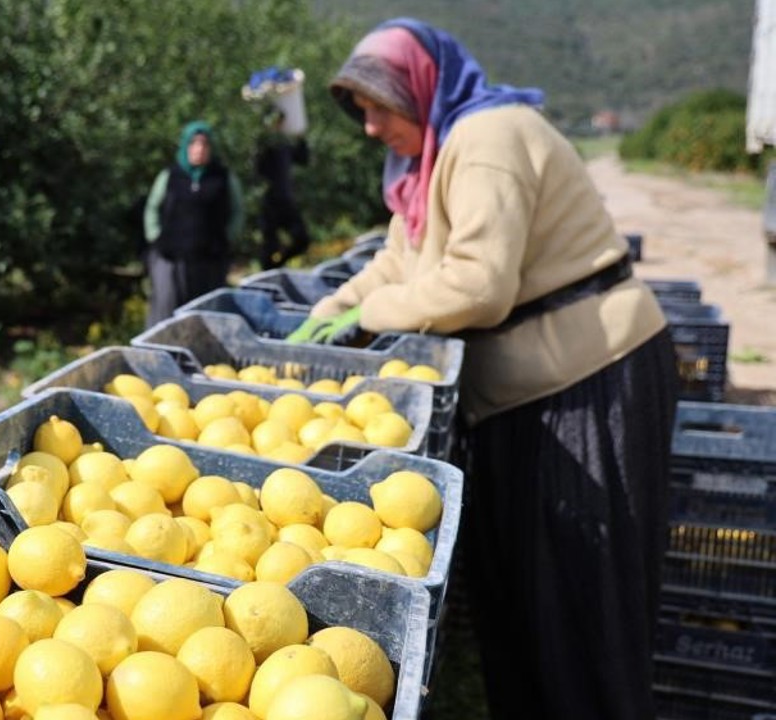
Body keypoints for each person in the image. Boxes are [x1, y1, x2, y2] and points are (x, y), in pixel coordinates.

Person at [291, 18, 678, 720]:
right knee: (529, 603)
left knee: (581, 597)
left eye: (379, 104)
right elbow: (400, 258)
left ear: (421, 87)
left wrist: (375, 311)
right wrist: (330, 312)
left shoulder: (488, 138)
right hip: (526, 394)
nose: (370, 128)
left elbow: (480, 285)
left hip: (587, 379)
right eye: (360, 112)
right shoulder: (436, 155)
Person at [142, 121, 245, 328]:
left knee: (205, 313)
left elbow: (238, 210)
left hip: (209, 259)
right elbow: (152, 207)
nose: (199, 149)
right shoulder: (170, 176)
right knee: (165, 311)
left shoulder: (222, 177)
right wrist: (155, 236)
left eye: (204, 144)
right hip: (170, 257)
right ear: (185, 147)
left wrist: (228, 238)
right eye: (194, 144)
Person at [255, 108, 312, 270]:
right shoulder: (264, 147)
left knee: (302, 240)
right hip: (268, 204)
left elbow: (303, 159)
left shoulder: (284, 146)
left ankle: (279, 265)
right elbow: (257, 170)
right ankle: (267, 276)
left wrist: (300, 137)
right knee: (269, 248)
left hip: (286, 201)